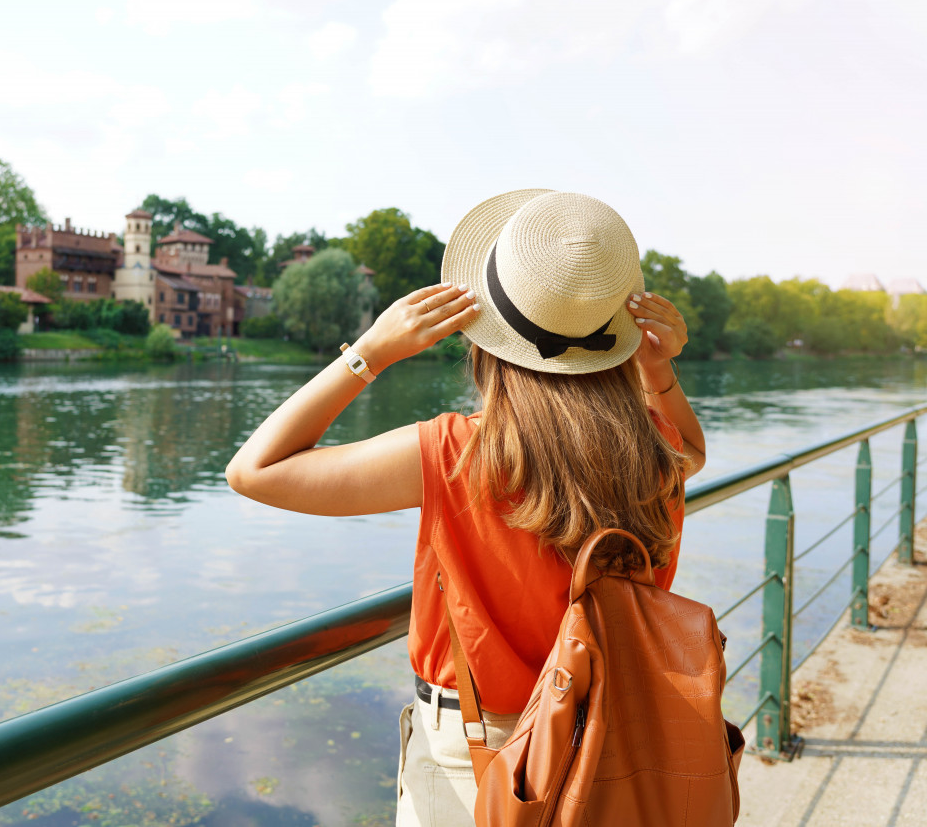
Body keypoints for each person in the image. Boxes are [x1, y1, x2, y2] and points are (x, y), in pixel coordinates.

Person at [224, 189, 705, 826]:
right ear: (614, 337)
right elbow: (693, 450)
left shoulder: (457, 452)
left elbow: (254, 471)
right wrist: (659, 373)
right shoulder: (656, 453)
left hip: (478, 754)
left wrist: (371, 352)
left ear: (486, 338)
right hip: (619, 735)